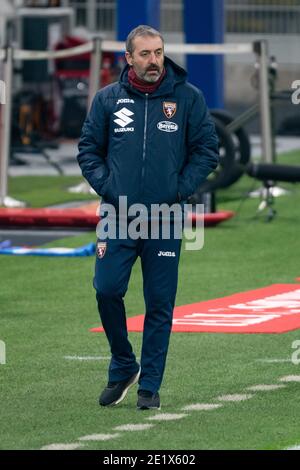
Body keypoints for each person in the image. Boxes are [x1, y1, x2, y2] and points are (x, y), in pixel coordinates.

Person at [77, 25, 219, 410]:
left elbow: (207, 149)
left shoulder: (188, 98)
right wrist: (109, 188)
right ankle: (124, 364)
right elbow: (88, 148)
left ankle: (149, 387)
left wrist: (178, 189)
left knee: (160, 304)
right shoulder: (107, 100)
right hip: (117, 216)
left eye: (158, 52)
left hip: (165, 217)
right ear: (129, 58)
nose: (154, 60)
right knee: (107, 289)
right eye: (145, 54)